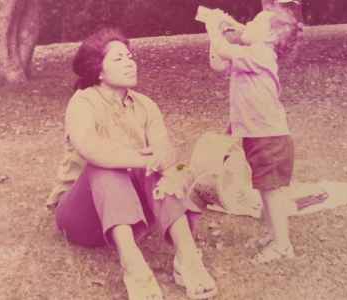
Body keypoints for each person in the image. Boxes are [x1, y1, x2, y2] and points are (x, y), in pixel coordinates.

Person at [52, 27, 217, 300]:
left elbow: (165, 149)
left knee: (165, 170)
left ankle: (187, 258)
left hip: (130, 208)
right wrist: (144, 160)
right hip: (81, 216)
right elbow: (90, 148)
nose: (130, 62)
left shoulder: (145, 105)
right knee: (105, 165)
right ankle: (133, 265)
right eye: (118, 59)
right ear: (99, 71)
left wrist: (162, 162)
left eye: (130, 56)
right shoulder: (83, 103)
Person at [203, 3, 302, 263]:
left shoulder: (260, 54)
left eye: (255, 22)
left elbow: (224, 50)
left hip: (270, 137)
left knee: (272, 190)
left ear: (269, 36)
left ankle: (283, 246)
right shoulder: (251, 50)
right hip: (257, 134)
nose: (248, 25)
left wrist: (214, 28)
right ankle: (273, 233)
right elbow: (218, 63)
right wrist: (227, 29)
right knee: (264, 187)